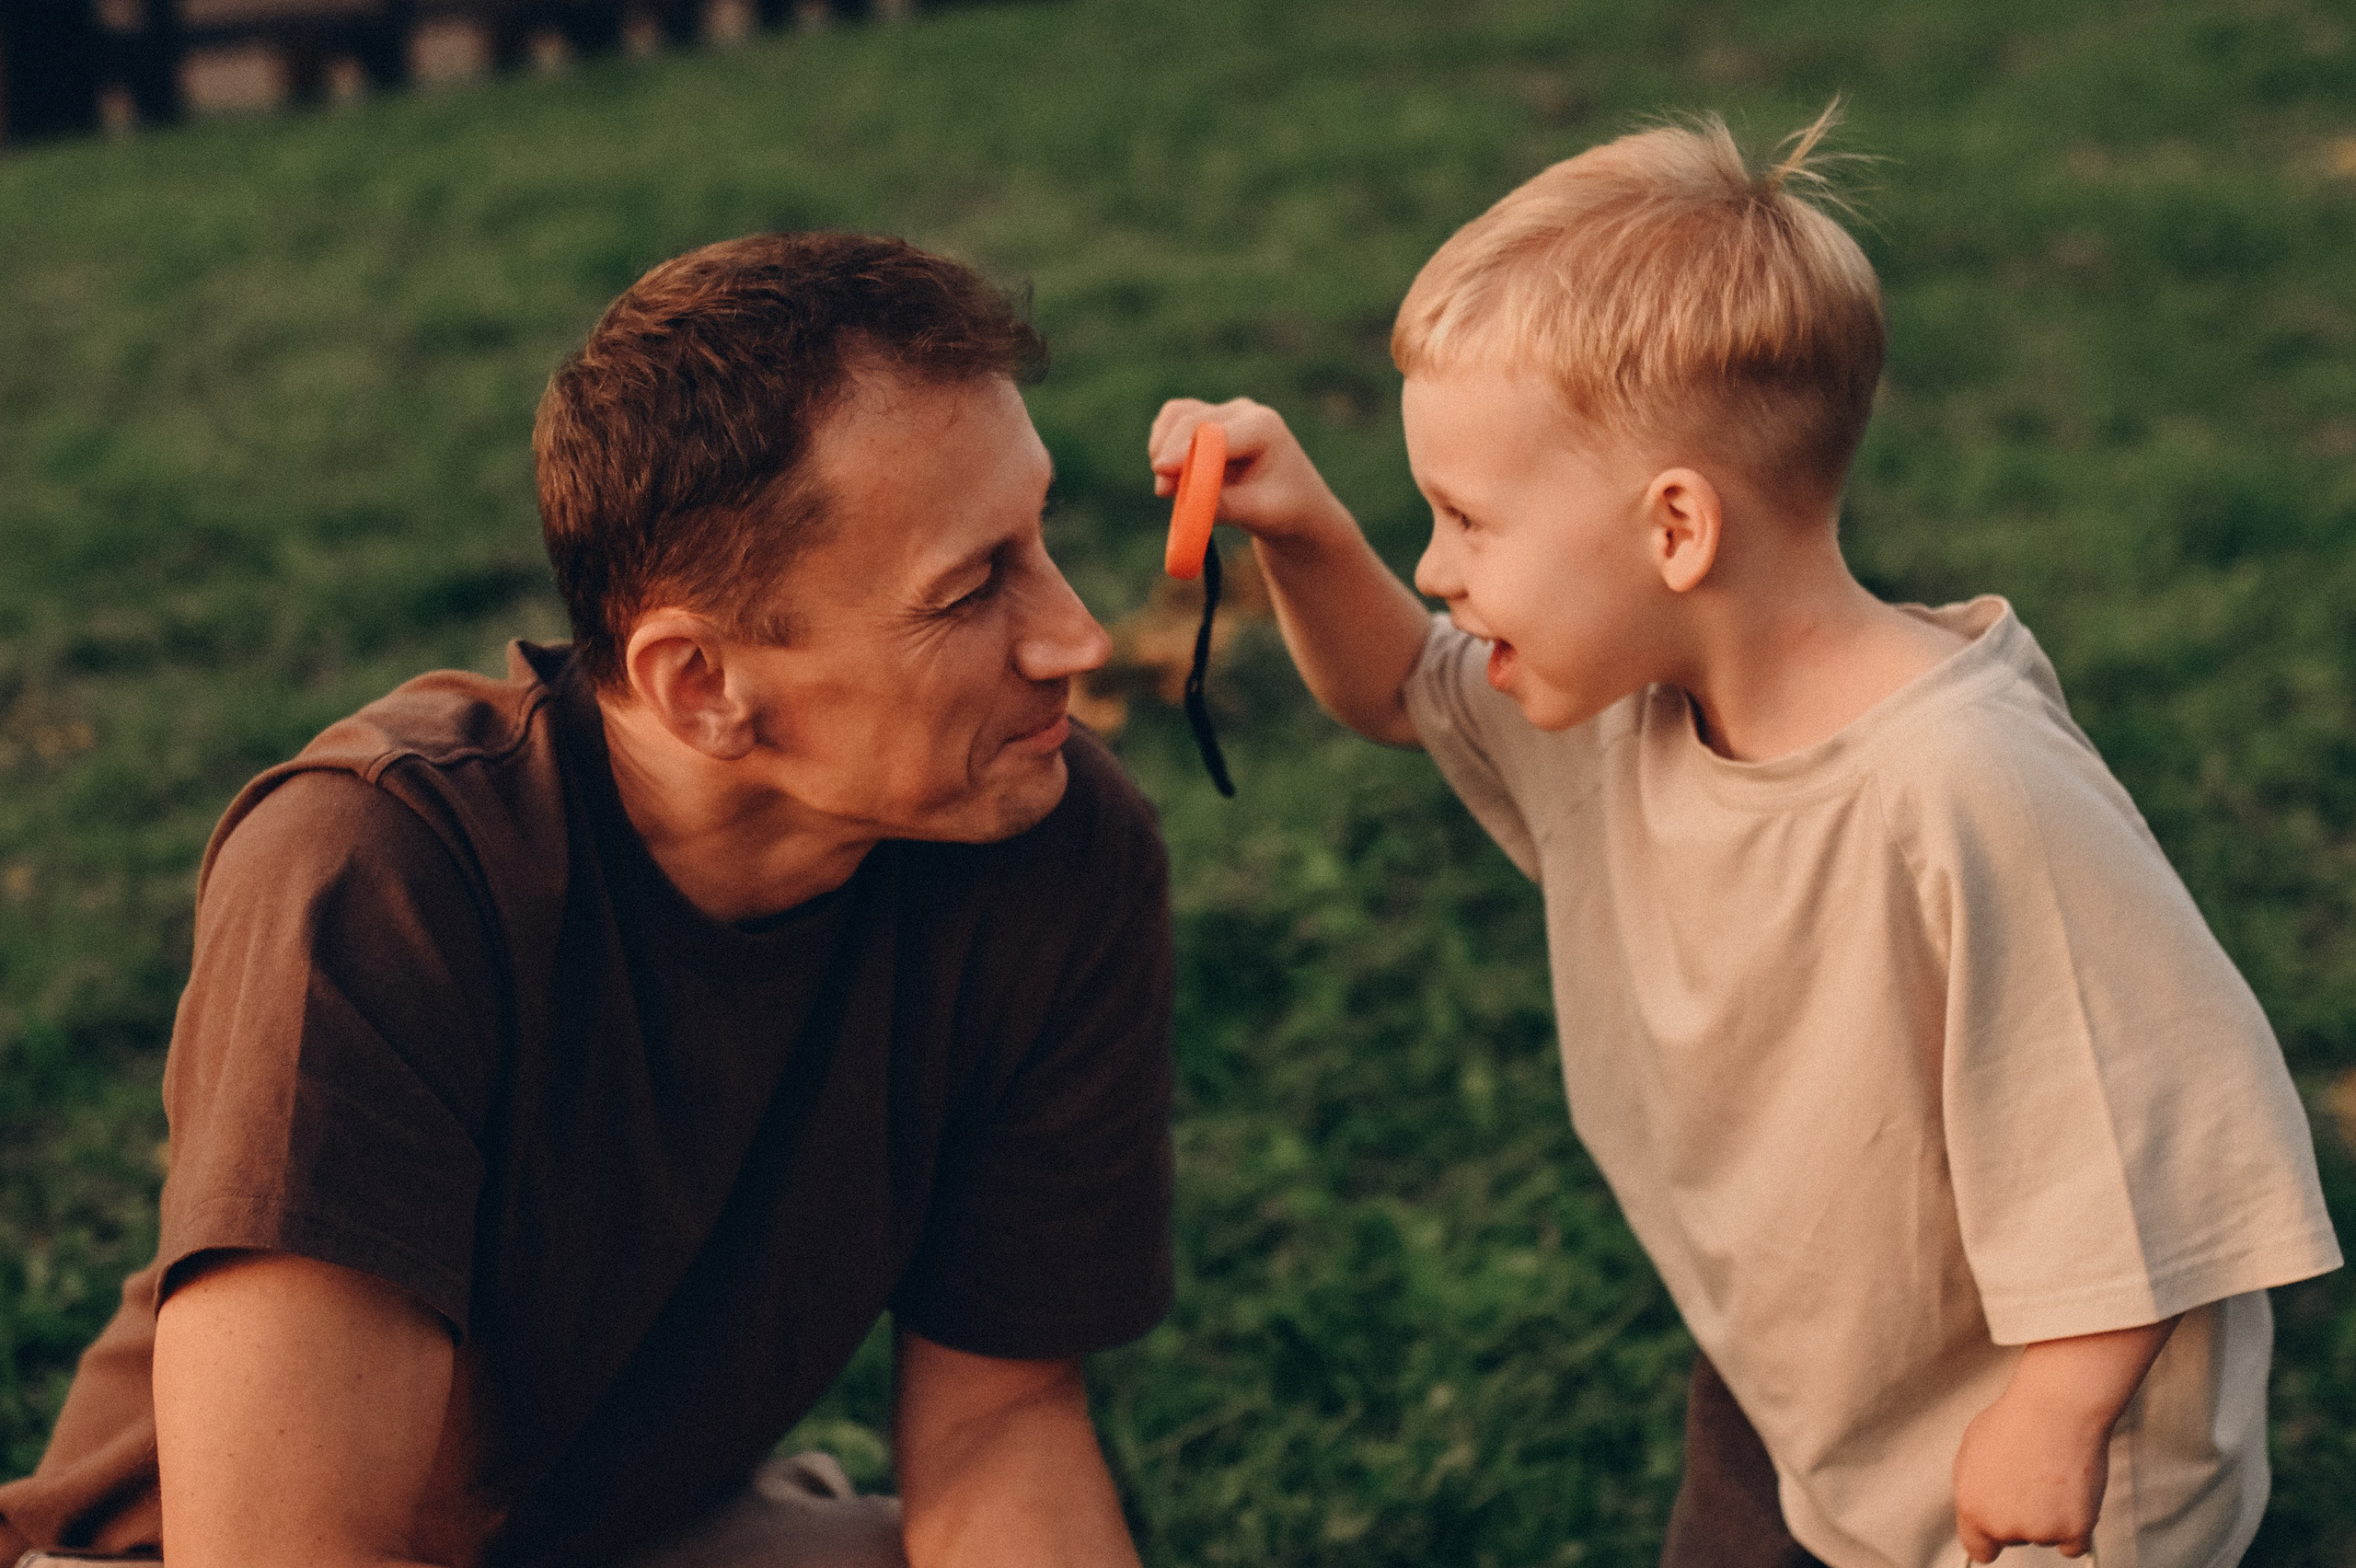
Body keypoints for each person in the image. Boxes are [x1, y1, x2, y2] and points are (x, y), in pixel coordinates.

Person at [1146, 107, 2341, 1567]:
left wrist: (2062, 1412)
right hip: (1805, 1372)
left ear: (1673, 532)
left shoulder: (1965, 787)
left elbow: (2157, 1124)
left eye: (1464, 520)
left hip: (2033, 1447)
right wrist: (1301, 532)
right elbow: (1400, 690)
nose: (1437, 569)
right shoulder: (1619, 702)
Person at [0, 232, 1174, 1568]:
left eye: (1040, 536)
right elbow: (287, 1551)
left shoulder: (1052, 846)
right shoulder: (379, 872)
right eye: (970, 589)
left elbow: (999, 1427)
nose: (1076, 637)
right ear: (700, 685)